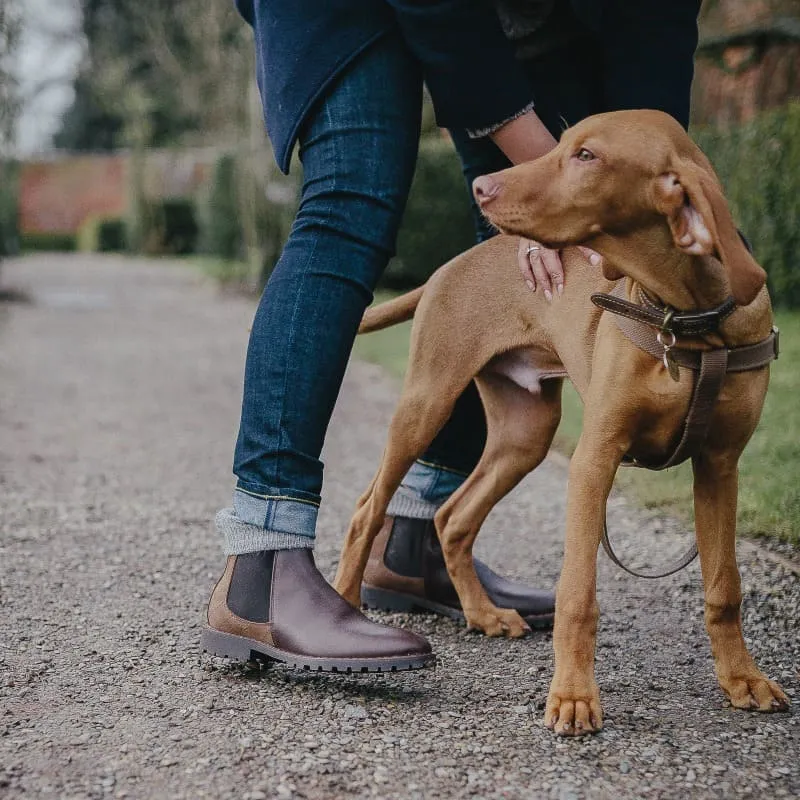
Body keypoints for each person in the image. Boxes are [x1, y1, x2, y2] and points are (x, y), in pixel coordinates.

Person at [202, 0, 701, 671]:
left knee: (510, 240)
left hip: (514, 22)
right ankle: (261, 568)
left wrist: (647, 195)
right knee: (352, 200)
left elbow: (653, 61)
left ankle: (415, 539)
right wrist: (555, 188)